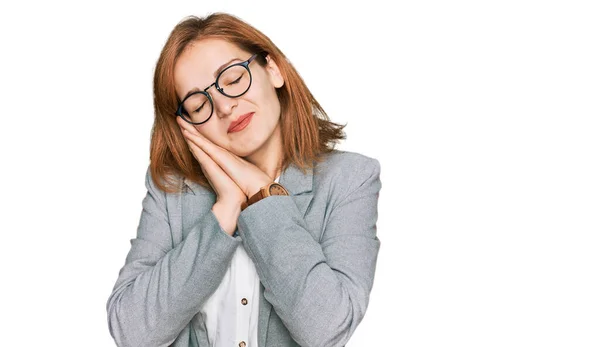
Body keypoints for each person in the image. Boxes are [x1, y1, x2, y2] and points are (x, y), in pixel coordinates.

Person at [106, 12, 382, 347]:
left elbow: (326, 328)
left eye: (234, 78)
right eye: (198, 104)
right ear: (187, 125)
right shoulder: (172, 190)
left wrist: (261, 194)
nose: (223, 106)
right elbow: (130, 332)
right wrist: (225, 210)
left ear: (273, 69)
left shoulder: (350, 180)